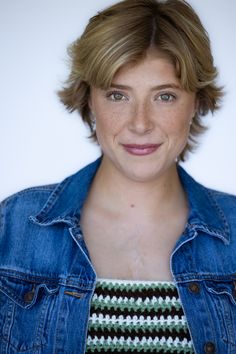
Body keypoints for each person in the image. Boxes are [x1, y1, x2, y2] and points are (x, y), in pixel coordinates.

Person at [0, 0, 235, 353]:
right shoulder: (13, 229)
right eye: (117, 95)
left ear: (196, 101)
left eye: (165, 96)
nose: (140, 123)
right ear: (89, 100)